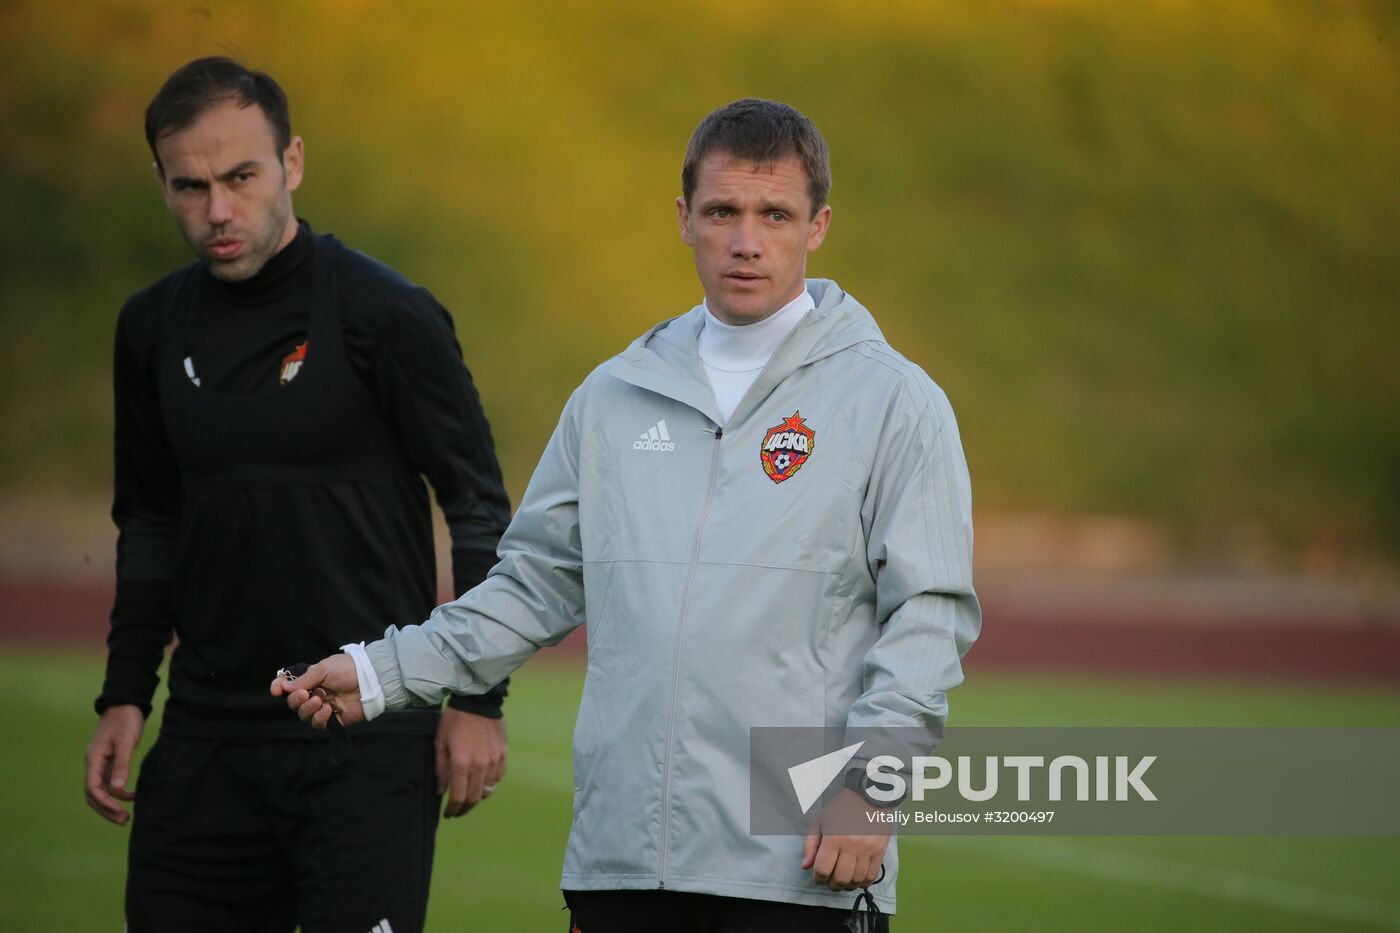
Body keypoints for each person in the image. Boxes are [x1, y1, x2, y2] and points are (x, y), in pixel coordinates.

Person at [278, 98, 980, 931]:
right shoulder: (613, 396)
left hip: (798, 868)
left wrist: (872, 784)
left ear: (819, 224)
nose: (746, 240)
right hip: (623, 866)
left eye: (775, 214)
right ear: (684, 219)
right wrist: (379, 671)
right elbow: (530, 587)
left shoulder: (894, 400)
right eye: (722, 211)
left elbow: (928, 618)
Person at [82, 57, 513, 933]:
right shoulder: (150, 327)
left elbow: (477, 505)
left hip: (365, 736)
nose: (219, 211)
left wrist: (475, 700)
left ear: (294, 163)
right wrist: (127, 691)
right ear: (161, 182)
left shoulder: (386, 314)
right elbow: (152, 523)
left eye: (241, 177)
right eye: (191, 186)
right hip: (207, 742)